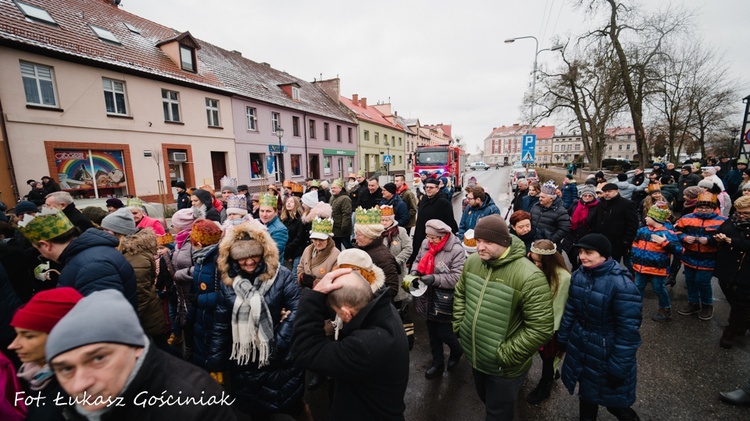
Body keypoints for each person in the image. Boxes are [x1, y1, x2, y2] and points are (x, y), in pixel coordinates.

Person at [46, 289, 236, 420]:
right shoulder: (56, 407)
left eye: (98, 358)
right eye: (66, 368)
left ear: (136, 347)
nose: (80, 384)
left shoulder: (194, 401)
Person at [453, 214, 554, 420]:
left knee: (498, 413)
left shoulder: (529, 276)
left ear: (504, 241)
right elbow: (461, 294)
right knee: (486, 401)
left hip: (504, 368)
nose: (480, 247)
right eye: (479, 241)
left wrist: (505, 355)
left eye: (488, 242)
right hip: (475, 355)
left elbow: (540, 327)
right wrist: (460, 326)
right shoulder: (472, 262)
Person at [210, 220, 304, 419]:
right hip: (244, 364)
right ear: (232, 259)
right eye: (242, 258)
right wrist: (216, 363)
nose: (250, 262)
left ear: (264, 253)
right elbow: (221, 323)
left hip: (279, 364)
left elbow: (299, 310)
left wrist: (274, 342)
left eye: (254, 255)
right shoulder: (228, 283)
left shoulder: (282, 276)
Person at [291, 268, 409, 420]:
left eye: (337, 313)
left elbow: (303, 350)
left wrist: (314, 296)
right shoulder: (384, 309)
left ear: (347, 313)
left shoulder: (363, 346)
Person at [557, 234, 642, 421]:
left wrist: (619, 368)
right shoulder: (580, 274)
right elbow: (572, 307)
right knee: (586, 394)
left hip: (605, 351)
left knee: (615, 403)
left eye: (588, 252)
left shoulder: (622, 285)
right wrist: (563, 337)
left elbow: (628, 333)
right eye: (580, 252)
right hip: (582, 344)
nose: (582, 256)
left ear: (604, 255)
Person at [17, 208, 137, 309]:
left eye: (38, 249)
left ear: (46, 245)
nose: (41, 255)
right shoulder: (88, 257)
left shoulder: (91, 266)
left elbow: (105, 319)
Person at [8, 287, 82, 421]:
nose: (13, 345)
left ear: (59, 336)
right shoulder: (37, 377)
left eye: (28, 336)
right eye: (17, 334)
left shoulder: (79, 392)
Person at [100, 208, 168, 347]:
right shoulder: (126, 251)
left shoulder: (136, 256)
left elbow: (139, 293)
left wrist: (128, 321)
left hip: (147, 320)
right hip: (144, 318)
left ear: (118, 233)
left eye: (106, 231)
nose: (102, 234)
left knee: (160, 353)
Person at [410, 219, 466, 378]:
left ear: (443, 236)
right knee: (432, 334)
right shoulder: (425, 243)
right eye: (428, 236)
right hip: (426, 296)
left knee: (445, 333)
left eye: (434, 237)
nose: (430, 240)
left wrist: (435, 279)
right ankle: (438, 363)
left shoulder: (456, 250)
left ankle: (456, 350)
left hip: (444, 299)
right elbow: (417, 260)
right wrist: (415, 271)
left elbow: (457, 277)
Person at [525, 239, 571, 405]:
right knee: (543, 355)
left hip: (551, 327)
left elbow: (558, 307)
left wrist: (550, 329)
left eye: (539, 261)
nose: (536, 264)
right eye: (533, 260)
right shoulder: (539, 270)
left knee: (547, 357)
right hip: (537, 322)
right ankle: (552, 373)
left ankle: (545, 387)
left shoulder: (563, 278)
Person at [674, 192, 726, 320]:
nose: (703, 210)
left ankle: (707, 305)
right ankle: (693, 303)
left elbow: (725, 238)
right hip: (689, 256)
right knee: (690, 281)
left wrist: (710, 240)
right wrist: (684, 237)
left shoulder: (722, 221)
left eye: (707, 207)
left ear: (713, 207)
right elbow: (676, 231)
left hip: (709, 258)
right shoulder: (687, 218)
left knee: (702, 282)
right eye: (701, 207)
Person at [631, 204, 682, 322]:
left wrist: (664, 243)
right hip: (640, 267)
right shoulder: (642, 230)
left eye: (648, 216)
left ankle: (665, 309)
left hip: (658, 268)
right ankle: (634, 308)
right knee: (638, 287)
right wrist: (633, 257)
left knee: (658, 288)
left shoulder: (668, 233)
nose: (646, 218)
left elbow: (679, 250)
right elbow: (635, 244)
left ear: (656, 218)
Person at [186, 219, 223, 368]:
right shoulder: (201, 259)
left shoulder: (220, 262)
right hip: (201, 319)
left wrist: (200, 300)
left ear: (199, 245)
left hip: (214, 320)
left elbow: (229, 295)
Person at [713, 195, 750, 349]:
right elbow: (722, 230)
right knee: (732, 298)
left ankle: (731, 331)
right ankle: (744, 321)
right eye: (739, 212)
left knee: (740, 303)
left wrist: (731, 241)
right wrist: (718, 237)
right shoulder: (732, 220)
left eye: (746, 213)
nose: (741, 215)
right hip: (727, 267)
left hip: (745, 270)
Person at [380, 204, 414, 348]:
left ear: (392, 220)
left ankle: (401, 334)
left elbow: (408, 248)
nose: (384, 223)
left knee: (398, 304)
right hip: (382, 273)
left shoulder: (400, 231)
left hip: (397, 272)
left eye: (386, 220)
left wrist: (396, 261)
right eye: (382, 220)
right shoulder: (377, 232)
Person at [408, 178, 458, 266]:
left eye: (431, 187)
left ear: (437, 189)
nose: (428, 189)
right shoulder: (424, 199)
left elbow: (449, 223)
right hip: (421, 236)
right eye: (426, 187)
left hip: (436, 239)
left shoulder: (443, 202)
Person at [354, 207, 399, 298]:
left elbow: (392, 289)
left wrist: (367, 297)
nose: (355, 237)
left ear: (369, 236)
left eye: (358, 235)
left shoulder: (384, 257)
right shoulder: (360, 249)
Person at [594, 183, 639, 265]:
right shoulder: (601, 203)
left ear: (616, 191)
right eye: (604, 191)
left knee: (613, 265)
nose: (606, 193)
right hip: (601, 240)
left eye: (609, 191)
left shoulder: (626, 204)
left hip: (617, 242)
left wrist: (627, 240)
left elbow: (633, 224)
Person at [297, 216, 340, 289]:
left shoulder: (336, 255)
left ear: (328, 239)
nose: (317, 243)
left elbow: (335, 280)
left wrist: (314, 282)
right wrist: (302, 277)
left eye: (321, 240)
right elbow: (300, 266)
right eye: (315, 239)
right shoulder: (308, 250)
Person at [562, 185, 599, 271]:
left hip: (587, 234)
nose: (587, 197)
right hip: (573, 233)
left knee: (584, 254)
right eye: (585, 195)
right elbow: (567, 214)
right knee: (570, 252)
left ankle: (581, 268)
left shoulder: (597, 207)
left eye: (590, 196)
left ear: (593, 197)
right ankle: (574, 266)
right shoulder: (576, 204)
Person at [530, 181, 571, 246]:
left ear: (551, 199)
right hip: (534, 243)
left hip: (549, 246)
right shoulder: (535, 206)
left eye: (543, 197)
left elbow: (564, 229)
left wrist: (550, 240)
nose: (540, 199)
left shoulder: (561, 211)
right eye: (540, 196)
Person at [280, 196, 307, 281]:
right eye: (287, 201)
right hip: (287, 252)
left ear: (296, 205)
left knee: (295, 275)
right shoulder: (283, 219)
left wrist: (288, 249)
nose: (288, 203)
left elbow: (299, 238)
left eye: (291, 202)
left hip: (297, 250)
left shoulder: (300, 219)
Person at [258, 193, 288, 261]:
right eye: (262, 211)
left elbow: (272, 253)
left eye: (268, 211)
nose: (264, 214)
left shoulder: (280, 229)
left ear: (276, 212)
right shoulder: (255, 223)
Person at [329, 179, 353, 250]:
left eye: (335, 188)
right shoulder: (332, 197)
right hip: (334, 228)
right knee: (336, 248)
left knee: (348, 246)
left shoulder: (345, 199)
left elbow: (347, 214)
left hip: (342, 229)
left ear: (340, 188)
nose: (333, 189)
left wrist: (344, 227)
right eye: (332, 188)